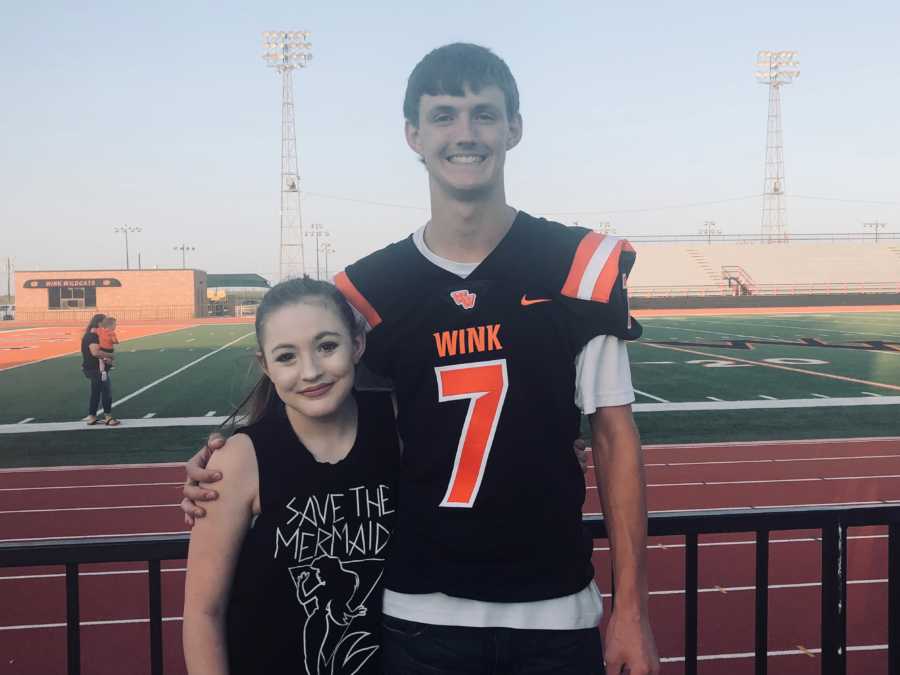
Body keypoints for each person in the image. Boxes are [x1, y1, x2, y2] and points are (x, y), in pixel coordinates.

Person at [185, 43, 658, 674]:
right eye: (444, 116)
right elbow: (320, 407)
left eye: (484, 114)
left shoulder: (578, 266)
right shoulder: (369, 293)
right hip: (420, 613)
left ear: (514, 128)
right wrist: (230, 450)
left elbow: (614, 438)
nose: (465, 133)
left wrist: (632, 609)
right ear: (413, 134)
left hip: (556, 607)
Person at [182, 277, 400, 675]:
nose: (311, 371)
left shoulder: (398, 425)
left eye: (327, 346)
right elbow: (202, 612)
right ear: (265, 365)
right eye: (286, 357)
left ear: (358, 344)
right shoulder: (239, 461)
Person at [81, 313, 119, 426]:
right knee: (106, 392)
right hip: (97, 369)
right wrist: (110, 356)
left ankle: (92, 416)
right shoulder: (93, 336)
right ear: (99, 323)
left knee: (96, 392)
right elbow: (95, 352)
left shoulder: (93, 334)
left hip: (95, 368)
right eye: (104, 322)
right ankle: (108, 417)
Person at [95, 315, 119, 382]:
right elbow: (115, 341)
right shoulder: (112, 333)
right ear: (110, 325)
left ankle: (102, 370)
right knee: (111, 357)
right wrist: (114, 340)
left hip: (102, 348)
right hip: (109, 349)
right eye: (115, 325)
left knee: (101, 360)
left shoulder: (100, 330)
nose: (115, 326)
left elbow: (93, 330)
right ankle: (109, 364)